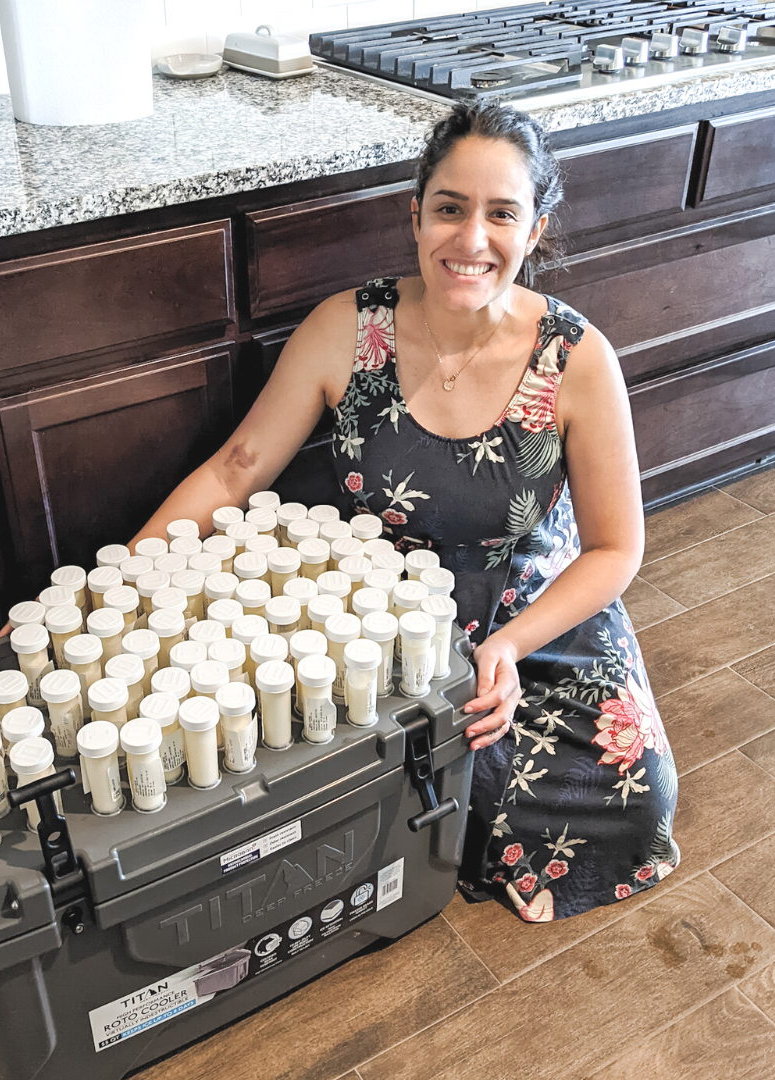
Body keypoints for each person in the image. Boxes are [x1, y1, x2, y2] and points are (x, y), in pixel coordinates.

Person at [131, 101, 679, 922]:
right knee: (399, 770)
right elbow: (235, 469)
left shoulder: (577, 357)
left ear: (534, 232)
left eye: (502, 214)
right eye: (450, 208)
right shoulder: (347, 330)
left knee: (636, 795)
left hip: (537, 613)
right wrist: (111, 586)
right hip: (383, 618)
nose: (471, 240)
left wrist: (507, 646)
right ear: (414, 213)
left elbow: (614, 549)